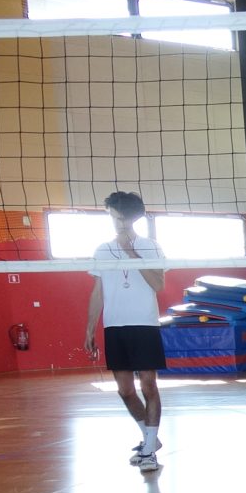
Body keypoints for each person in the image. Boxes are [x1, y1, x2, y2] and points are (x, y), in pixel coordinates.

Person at [83, 191, 167, 472]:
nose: (116, 221)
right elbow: (97, 292)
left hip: (144, 323)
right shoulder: (102, 250)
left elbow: (158, 285)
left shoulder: (151, 246)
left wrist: (132, 253)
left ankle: (149, 451)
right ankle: (150, 438)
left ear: (132, 217)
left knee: (148, 385)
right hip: (115, 325)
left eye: (119, 216)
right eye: (112, 216)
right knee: (125, 390)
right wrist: (90, 328)